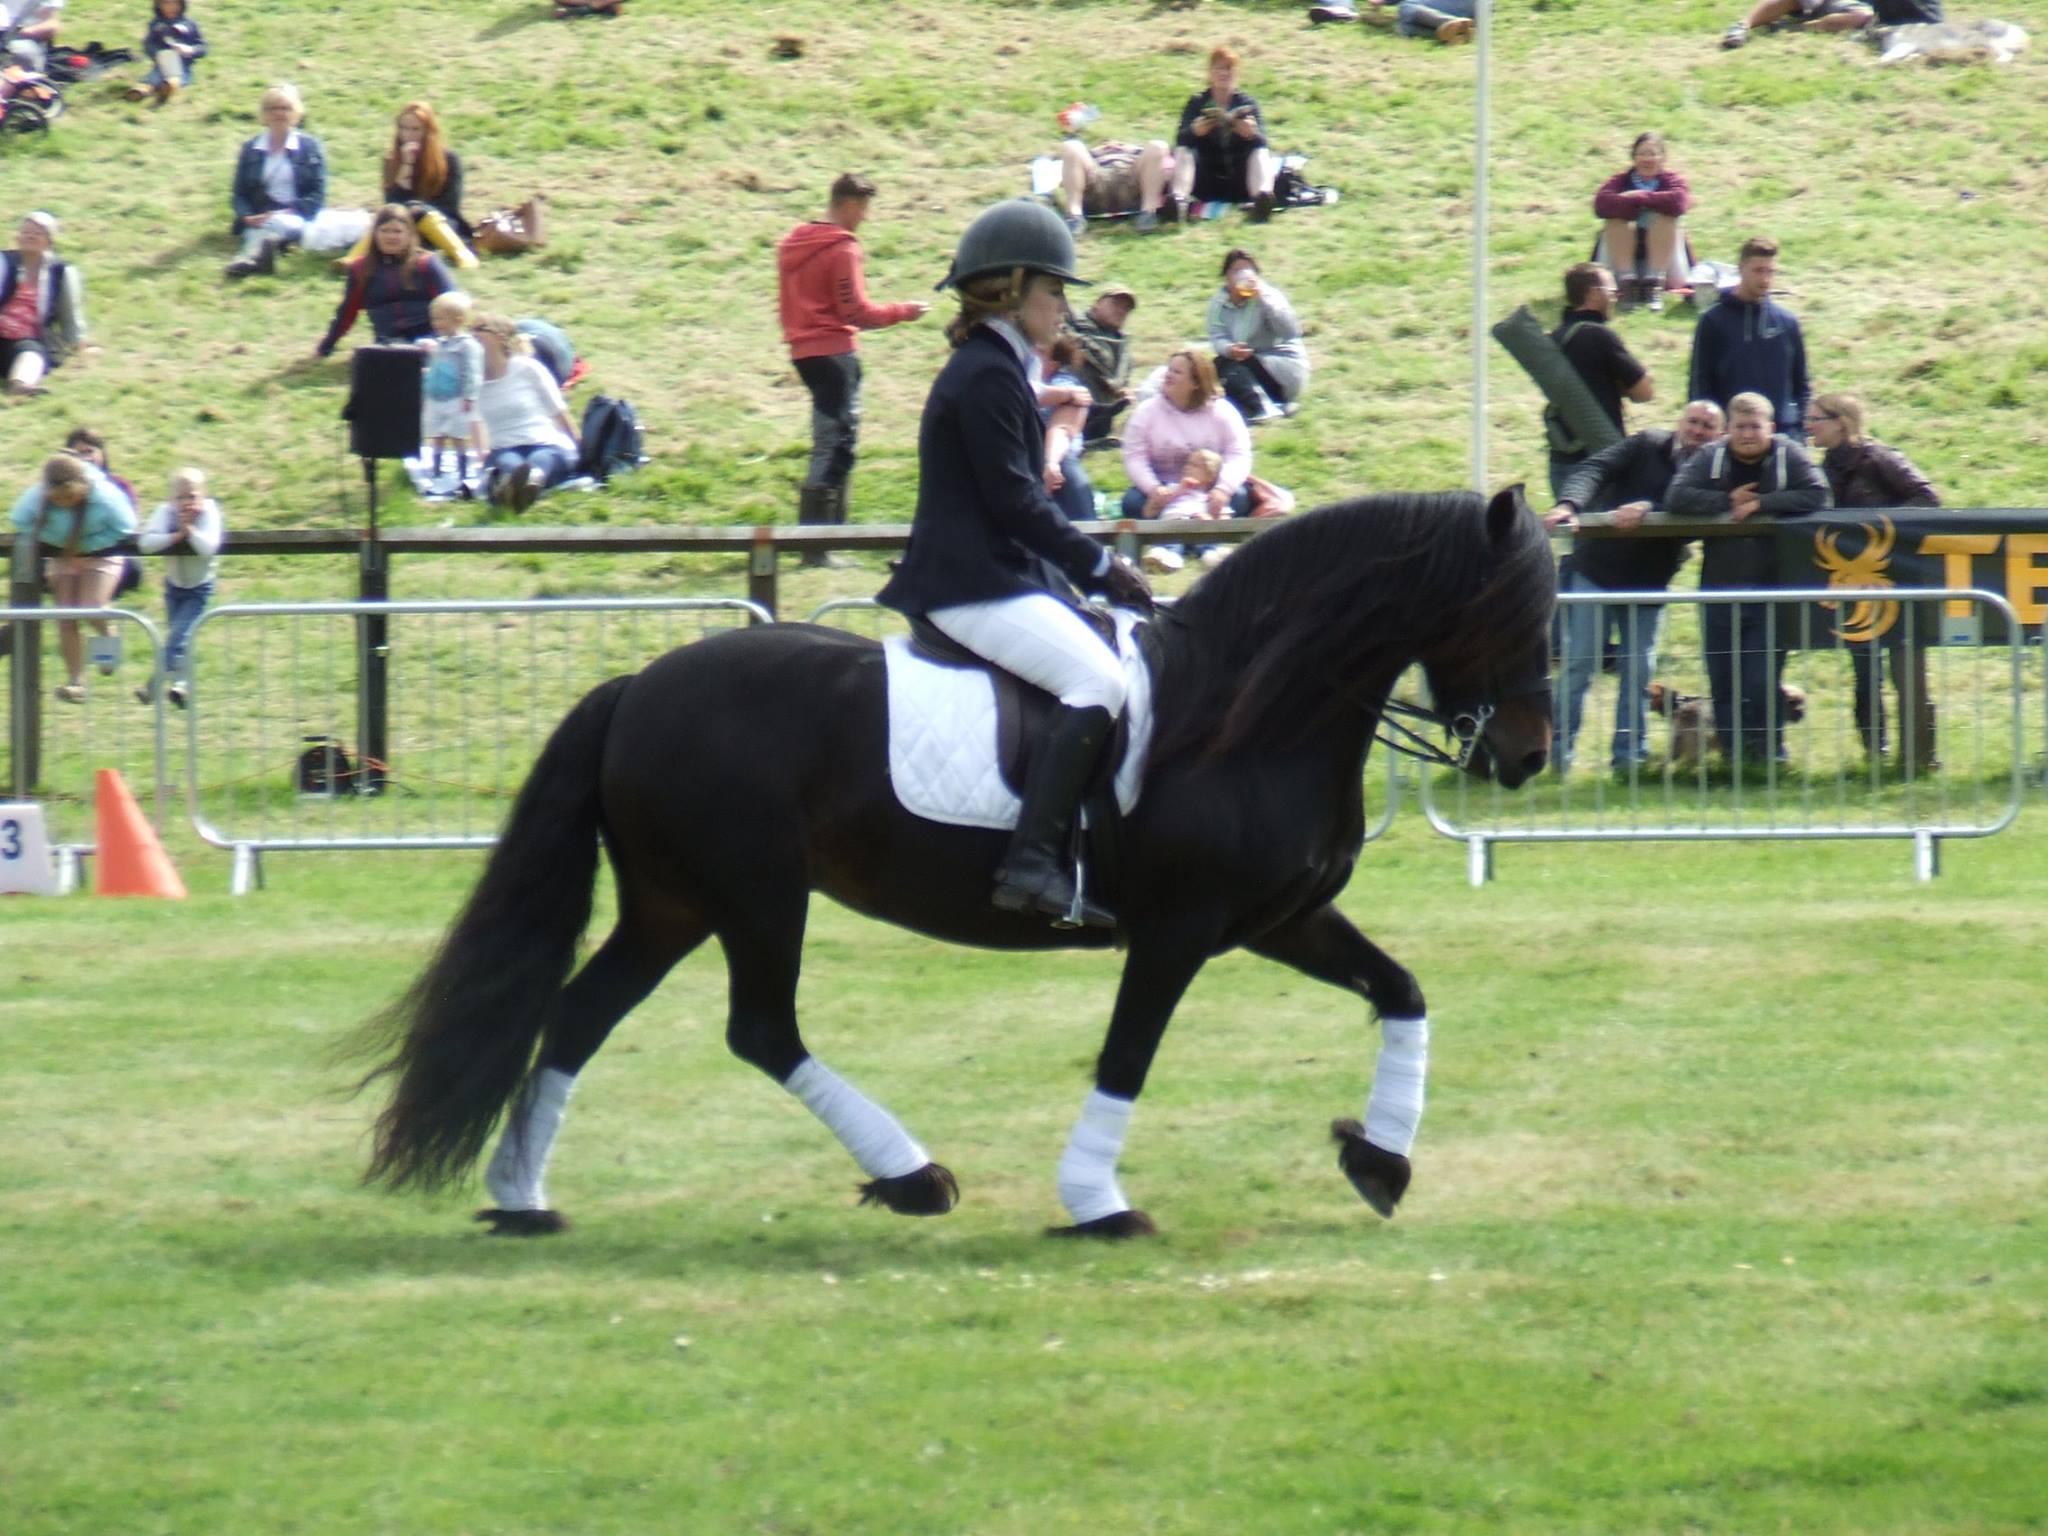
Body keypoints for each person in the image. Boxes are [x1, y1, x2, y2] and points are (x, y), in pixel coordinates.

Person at [874, 199, 1154, 928]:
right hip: (971, 585)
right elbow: (1019, 507)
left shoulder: (995, 368)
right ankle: (1031, 863)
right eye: (1054, 290)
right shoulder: (989, 376)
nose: (1064, 306)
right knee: (1097, 679)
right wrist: (1100, 569)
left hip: (993, 576)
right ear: (1011, 288)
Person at [1543, 399, 1727, 771]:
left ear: (1719, 434)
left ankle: (1630, 760)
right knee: (1579, 664)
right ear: (1679, 422)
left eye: (1707, 426)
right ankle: (1557, 756)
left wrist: (1651, 508)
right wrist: (1568, 504)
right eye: (1692, 421)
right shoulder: (1645, 445)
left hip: (1650, 582)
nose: (1697, 430)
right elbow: (1595, 467)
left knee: (1639, 671)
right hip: (1596, 570)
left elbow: (1697, 501)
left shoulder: (1717, 470)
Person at [1665, 391, 1831, 763]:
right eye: (1740, 427)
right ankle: (1733, 759)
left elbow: (1818, 494)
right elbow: (1677, 497)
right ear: (1728, 430)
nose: (1748, 434)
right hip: (1717, 589)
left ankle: (1770, 755)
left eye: (1755, 426)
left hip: (1772, 589)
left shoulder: (1789, 454)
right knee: (1723, 681)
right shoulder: (1712, 457)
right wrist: (1727, 501)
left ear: (1770, 427)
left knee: (1760, 679)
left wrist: (1762, 504)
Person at [776, 173, 929, 567]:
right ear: (848, 204)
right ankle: (818, 545)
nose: (865, 217)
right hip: (834, 352)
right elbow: (855, 312)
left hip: (803, 351)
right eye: (863, 208)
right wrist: (903, 312)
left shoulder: (794, 242)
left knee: (828, 439)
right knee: (836, 444)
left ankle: (824, 540)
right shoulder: (843, 249)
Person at [1807, 391, 1941, 767]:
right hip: (1854, 582)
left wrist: (1877, 527)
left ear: (1840, 422)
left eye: (1816, 418)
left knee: (1906, 669)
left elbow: (1927, 497)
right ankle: (1874, 751)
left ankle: (1920, 754)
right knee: (1864, 671)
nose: (1808, 426)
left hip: (1898, 579)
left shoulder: (1880, 458)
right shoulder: (1822, 467)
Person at [8, 452, 137, 703]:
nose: (64, 503)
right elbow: (20, 521)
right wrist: (63, 547)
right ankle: (77, 682)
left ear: (83, 487)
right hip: (63, 557)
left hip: (102, 556)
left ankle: (107, 646)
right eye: (57, 499)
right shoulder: (36, 498)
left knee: (92, 607)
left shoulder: (105, 496)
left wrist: (87, 547)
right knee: (66, 617)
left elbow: (125, 527)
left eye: (70, 496)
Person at [1548, 262, 1653, 497]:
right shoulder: (1599, 335)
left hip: (1561, 458)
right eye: (1613, 291)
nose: (1616, 298)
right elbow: (1644, 392)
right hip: (1599, 461)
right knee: (1602, 533)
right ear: (1595, 293)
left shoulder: (1555, 338)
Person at [1688, 236, 1809, 440]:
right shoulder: (1713, 321)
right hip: (1731, 437)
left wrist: (1800, 429)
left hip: (1783, 436)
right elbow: (1700, 383)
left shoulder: (1787, 322)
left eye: (1770, 271)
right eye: (1758, 270)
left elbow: (1801, 383)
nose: (1765, 279)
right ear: (1741, 268)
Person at [1120, 349, 1253, 525]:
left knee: (1241, 497)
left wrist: (1223, 489)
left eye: (1177, 372)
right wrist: (1154, 489)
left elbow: (1239, 454)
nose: (1169, 376)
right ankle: (1178, 532)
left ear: (1196, 382)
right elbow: (1134, 457)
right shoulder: (1146, 412)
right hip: (1165, 488)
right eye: (1169, 370)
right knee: (1132, 503)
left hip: (1208, 488)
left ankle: (1200, 535)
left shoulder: (1222, 411)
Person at [339, 102, 475, 269]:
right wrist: (405, 167)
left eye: (415, 129)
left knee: (416, 209)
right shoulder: (392, 160)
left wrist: (417, 208)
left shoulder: (449, 159)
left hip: (443, 225)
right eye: (403, 128)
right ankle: (352, 261)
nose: (408, 134)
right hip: (406, 226)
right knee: (392, 215)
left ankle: (463, 256)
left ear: (428, 132)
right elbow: (392, 206)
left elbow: (450, 206)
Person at [472, 312, 581, 512]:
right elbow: (472, 421)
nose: (473, 335)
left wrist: (581, 447)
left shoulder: (528, 368)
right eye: (471, 331)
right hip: (504, 447)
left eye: (480, 329)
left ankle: (523, 488)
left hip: (544, 442)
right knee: (509, 463)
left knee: (540, 461)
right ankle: (518, 490)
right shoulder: (473, 380)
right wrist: (480, 455)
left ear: (499, 336)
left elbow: (558, 411)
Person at [133, 467, 221, 709]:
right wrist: (174, 537)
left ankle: (152, 686)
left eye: (192, 496)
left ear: (203, 496)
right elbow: (146, 543)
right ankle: (181, 687)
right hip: (174, 586)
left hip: (199, 587)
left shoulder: (210, 512)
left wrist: (190, 531)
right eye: (180, 497)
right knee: (179, 639)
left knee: (179, 637)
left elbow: (209, 547)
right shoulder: (165, 512)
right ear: (171, 499)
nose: (186, 503)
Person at [316, 204, 454, 356]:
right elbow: (347, 311)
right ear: (374, 234)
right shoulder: (360, 269)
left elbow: (452, 303)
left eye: (397, 231)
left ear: (409, 234)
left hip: (431, 340)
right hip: (389, 343)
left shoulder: (427, 263)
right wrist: (327, 345)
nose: (391, 236)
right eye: (385, 230)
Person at [226, 82, 326, 279]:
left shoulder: (310, 147)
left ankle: (249, 258)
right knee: (261, 227)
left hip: (295, 214)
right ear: (264, 114)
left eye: (286, 108)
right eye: (273, 108)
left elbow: (317, 194)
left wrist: (290, 210)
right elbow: (238, 194)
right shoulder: (250, 149)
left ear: (296, 113)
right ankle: (266, 253)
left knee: (274, 225)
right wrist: (246, 216)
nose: (279, 113)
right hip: (260, 216)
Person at [1173, 47, 1278, 222]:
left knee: (1260, 152)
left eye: (1228, 68)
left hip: (1240, 177)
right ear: (1210, 73)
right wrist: (1195, 131)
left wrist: (1250, 134)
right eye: (1218, 68)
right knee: (1184, 150)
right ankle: (1178, 201)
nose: (1223, 73)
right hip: (1205, 177)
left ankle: (1262, 197)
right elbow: (1180, 139)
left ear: (1236, 73)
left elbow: (1262, 141)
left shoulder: (1247, 102)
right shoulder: (1197, 102)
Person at [1592, 132, 1694, 311]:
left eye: (1653, 154)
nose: (1647, 159)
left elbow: (1679, 202)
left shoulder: (1672, 181)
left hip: (1665, 256)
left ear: (1662, 158)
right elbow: (1602, 204)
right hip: (1622, 253)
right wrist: (1639, 205)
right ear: (1633, 157)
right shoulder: (1620, 181)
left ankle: (1653, 285)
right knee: (1616, 220)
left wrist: (1639, 198)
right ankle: (1627, 283)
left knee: (1665, 217)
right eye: (1642, 154)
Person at [1206, 248, 1308, 422]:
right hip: (1244, 364)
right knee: (1216, 367)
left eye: (1248, 271)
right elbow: (1217, 336)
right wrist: (1230, 349)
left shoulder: (1269, 296)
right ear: (1227, 277)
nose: (1243, 277)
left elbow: (1290, 331)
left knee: (1229, 367)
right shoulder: (1218, 303)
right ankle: (1268, 406)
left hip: (1281, 368)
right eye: (1236, 271)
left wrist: (1264, 300)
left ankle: (1265, 407)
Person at [0, 211, 87, 397]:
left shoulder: (61, 272)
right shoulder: (3, 262)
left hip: (25, 341)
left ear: (49, 241)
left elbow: (70, 314)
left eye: (37, 233)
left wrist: (77, 343)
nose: (30, 236)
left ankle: (20, 385)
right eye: (26, 232)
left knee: (32, 355)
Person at [421, 290, 484, 495]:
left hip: (457, 398)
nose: (436, 323)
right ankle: (437, 467)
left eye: (441, 319)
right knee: (436, 433)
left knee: (458, 434)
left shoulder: (467, 346)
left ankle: (464, 468)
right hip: (436, 397)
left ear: (458, 320)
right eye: (434, 319)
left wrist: (470, 395)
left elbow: (472, 372)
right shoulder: (438, 344)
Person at [1036, 333, 1097, 523]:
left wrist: (1051, 463)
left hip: (1057, 458)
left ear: (1052, 362)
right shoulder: (1067, 390)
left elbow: (1061, 429)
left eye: (1038, 352)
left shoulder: (1065, 383)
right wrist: (1066, 394)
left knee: (1069, 474)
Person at [1058, 137, 1175, 235]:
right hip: (1097, 180)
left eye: (1119, 143)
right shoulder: (1091, 155)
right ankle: (1074, 217)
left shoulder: (1138, 152)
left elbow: (1160, 164)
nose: (1113, 144)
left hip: (1131, 180)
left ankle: (1148, 214)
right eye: (1106, 144)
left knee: (1158, 146)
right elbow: (1070, 170)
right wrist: (1099, 151)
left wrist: (1130, 149)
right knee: (1071, 145)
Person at [1067, 284, 1137, 444]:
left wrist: (1123, 392)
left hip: (1100, 414)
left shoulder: (1122, 347)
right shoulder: (1073, 322)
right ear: (1097, 303)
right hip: (1068, 400)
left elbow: (1121, 382)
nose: (1121, 311)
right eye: (1116, 303)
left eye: (1126, 309)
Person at [1723, 0, 1940, 49]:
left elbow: (1930, 18)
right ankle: (1743, 25)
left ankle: (1793, 28)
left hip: (1862, 9)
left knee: (1861, 16)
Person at [125, 0, 206, 104]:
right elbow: (148, 44)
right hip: (161, 64)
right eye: (166, 3)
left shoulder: (189, 24)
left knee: (176, 79)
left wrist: (191, 50)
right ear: (158, 4)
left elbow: (203, 47)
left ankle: (168, 88)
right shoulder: (156, 24)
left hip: (182, 66)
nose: (171, 7)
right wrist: (158, 53)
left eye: (175, 3)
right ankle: (142, 91)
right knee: (154, 77)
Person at [1, 0, 62, 70]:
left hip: (22, 41)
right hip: (5, 35)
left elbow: (51, 26)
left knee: (20, 49)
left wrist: (21, 32)